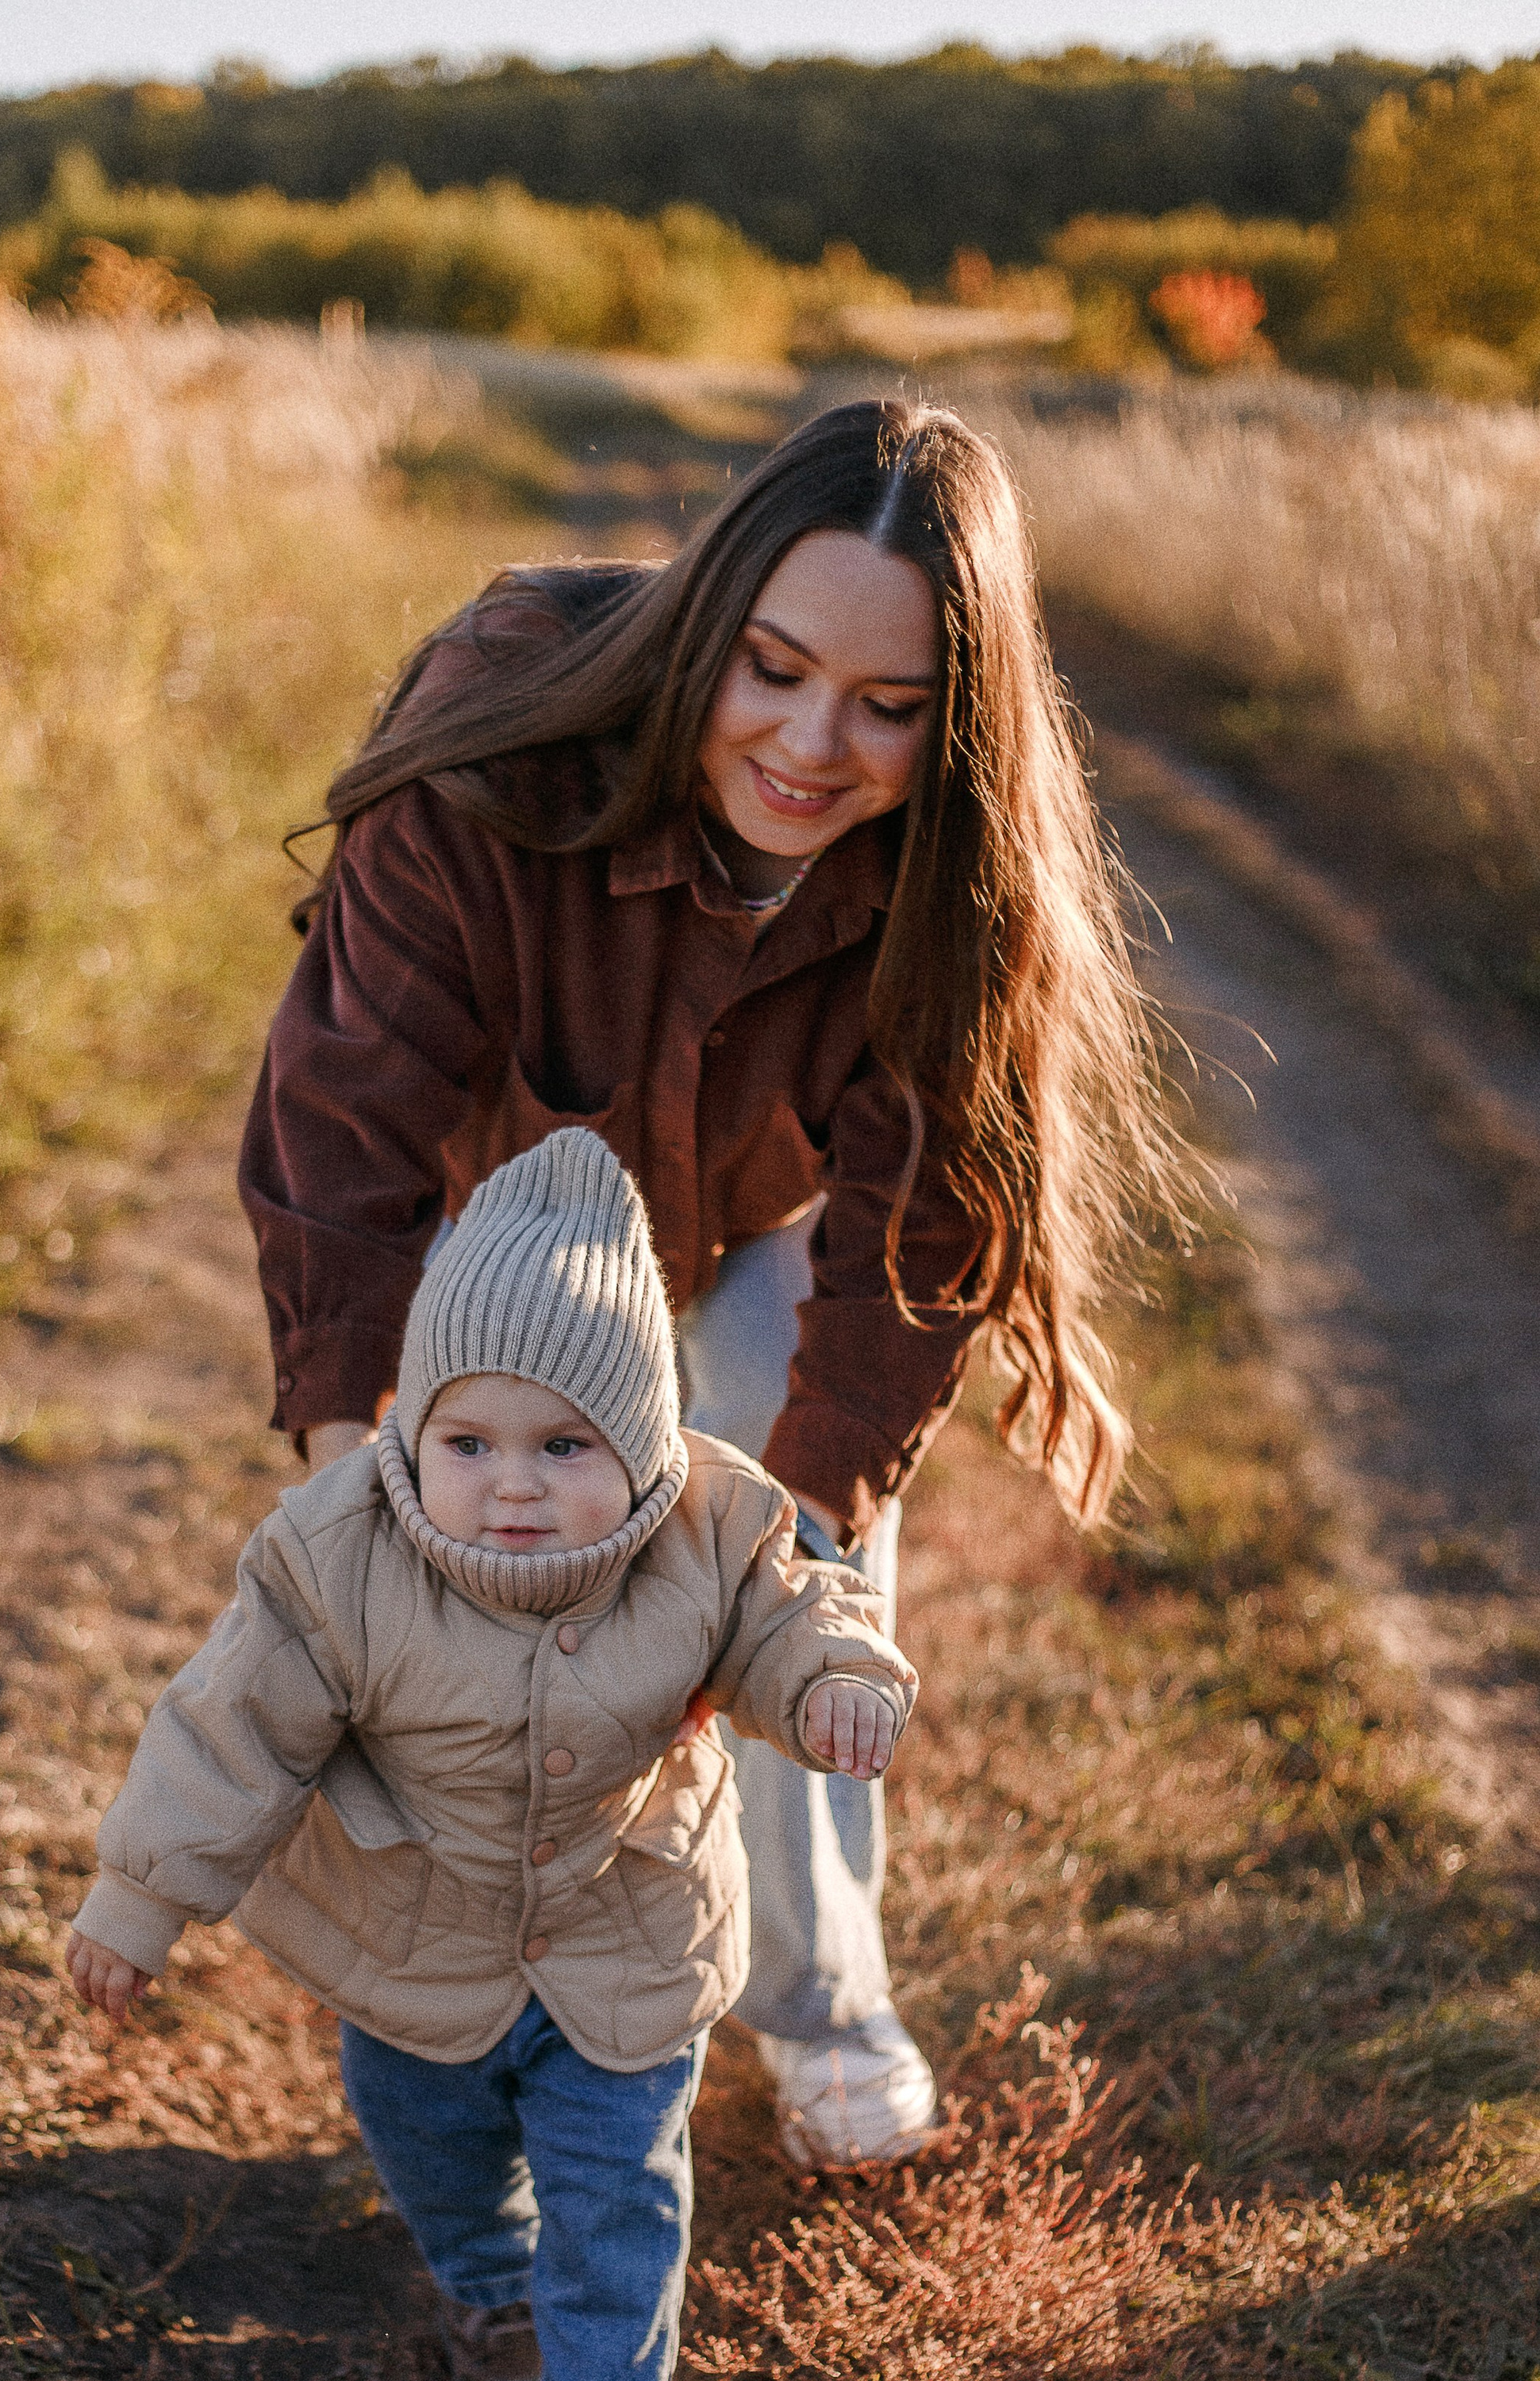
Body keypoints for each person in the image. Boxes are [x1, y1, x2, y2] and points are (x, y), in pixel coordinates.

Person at [238, 396, 1176, 2169]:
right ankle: (479, 2015)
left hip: (762, 1220)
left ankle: (821, 2002)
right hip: (500, 1208)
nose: (814, 744)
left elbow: (913, 1228)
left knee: (778, 1520)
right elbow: (341, 1115)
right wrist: (346, 1477)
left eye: (889, 708)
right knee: (465, 1563)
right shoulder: (500, 742)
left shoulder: (951, 877)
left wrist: (788, 1557)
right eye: (771, 669)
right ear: (706, 625)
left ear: (953, 723)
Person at [65, 1130, 916, 2381]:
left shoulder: (716, 1524)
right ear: (414, 1433)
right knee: (435, 2153)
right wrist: (140, 1898)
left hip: (623, 1938)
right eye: (471, 1444)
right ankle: (482, 2283)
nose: (512, 1485)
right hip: (416, 1944)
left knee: (622, 2193)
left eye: (565, 1447)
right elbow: (231, 1727)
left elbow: (802, 1613)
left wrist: (840, 1681)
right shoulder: (341, 1553)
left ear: (646, 1440)